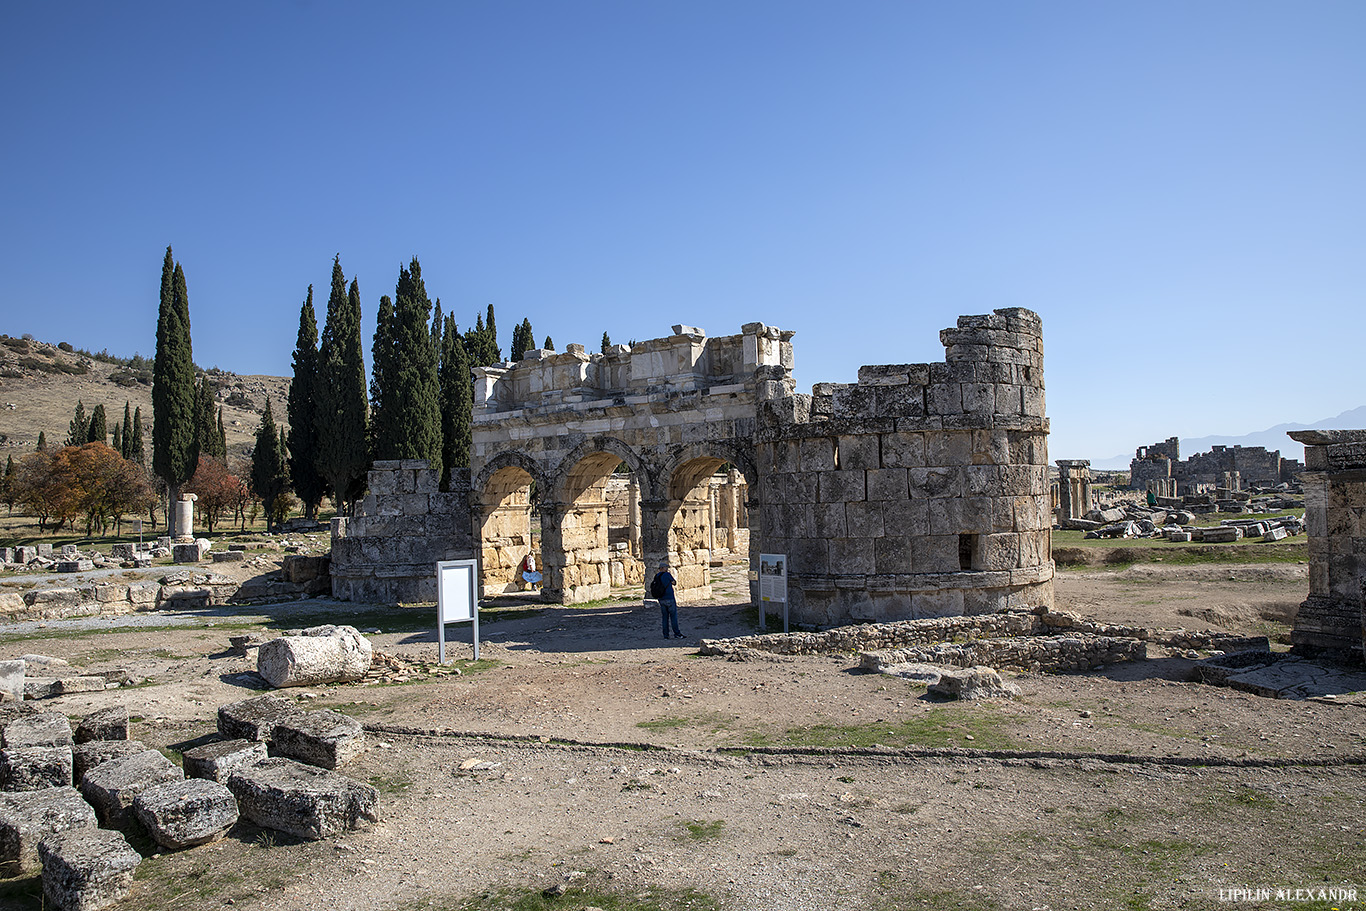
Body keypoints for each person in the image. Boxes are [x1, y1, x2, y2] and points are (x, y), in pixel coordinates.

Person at [652, 565, 683, 639]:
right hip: (669, 598)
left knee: (664, 618)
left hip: (661, 599)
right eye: (666, 567)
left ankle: (666, 635)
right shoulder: (667, 575)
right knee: (673, 617)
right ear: (662, 568)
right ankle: (677, 633)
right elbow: (674, 583)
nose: (667, 569)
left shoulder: (657, 576)